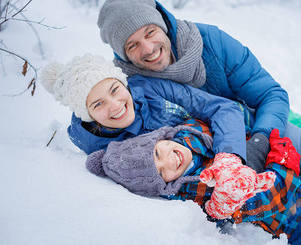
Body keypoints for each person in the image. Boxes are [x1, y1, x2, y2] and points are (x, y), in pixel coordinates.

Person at [95, 0, 301, 196]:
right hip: (220, 142)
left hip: (255, 118)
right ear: (124, 56)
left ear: (162, 24)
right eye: (133, 45)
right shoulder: (134, 85)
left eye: (150, 32)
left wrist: (260, 139)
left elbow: (271, 94)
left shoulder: (211, 42)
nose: (149, 48)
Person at [85, 118, 301, 245]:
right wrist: (281, 163)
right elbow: (256, 201)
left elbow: (231, 130)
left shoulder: (190, 134)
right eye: (161, 170)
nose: (170, 159)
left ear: (160, 139)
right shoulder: (196, 190)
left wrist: (262, 143)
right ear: (162, 185)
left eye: (158, 151)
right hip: (293, 220)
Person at [40, 53, 266, 173]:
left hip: (247, 126)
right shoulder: (100, 148)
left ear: (123, 83)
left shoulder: (149, 88)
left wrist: (229, 156)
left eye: (115, 90)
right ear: (87, 114)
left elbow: (223, 108)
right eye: (98, 104)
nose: (116, 105)